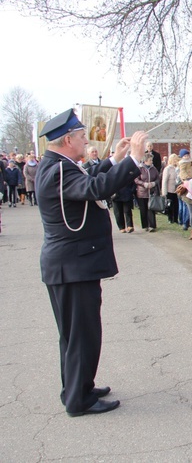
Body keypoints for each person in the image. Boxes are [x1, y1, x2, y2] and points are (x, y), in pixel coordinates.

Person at [36, 108, 147, 416]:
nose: (86, 142)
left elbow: (90, 177)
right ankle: (78, 400)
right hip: (72, 266)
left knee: (78, 335)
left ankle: (80, 386)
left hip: (73, 265)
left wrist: (114, 159)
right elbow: (94, 188)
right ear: (67, 139)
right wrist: (134, 160)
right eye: (83, 137)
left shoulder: (60, 165)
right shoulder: (59, 170)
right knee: (80, 335)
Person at [134, 153, 159, 232]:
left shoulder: (154, 169)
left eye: (152, 160)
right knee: (143, 209)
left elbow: (158, 178)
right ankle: (145, 225)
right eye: (150, 160)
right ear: (145, 161)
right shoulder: (140, 169)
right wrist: (143, 184)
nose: (151, 161)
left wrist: (153, 183)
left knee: (151, 208)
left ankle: (152, 225)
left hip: (151, 192)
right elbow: (136, 179)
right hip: (142, 192)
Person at [161, 153, 179, 224]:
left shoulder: (177, 168)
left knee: (176, 205)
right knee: (170, 205)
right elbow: (164, 181)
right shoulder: (167, 169)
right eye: (174, 160)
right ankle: (170, 218)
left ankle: (176, 219)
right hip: (169, 190)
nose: (175, 161)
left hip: (177, 190)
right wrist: (164, 192)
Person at [177, 149, 192, 230]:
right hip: (187, 182)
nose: (186, 157)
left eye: (187, 155)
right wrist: (187, 179)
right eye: (185, 156)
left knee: (187, 205)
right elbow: (182, 172)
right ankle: (185, 223)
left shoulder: (190, 162)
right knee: (186, 204)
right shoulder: (182, 163)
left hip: (191, 180)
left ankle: (186, 222)